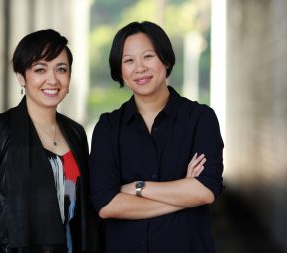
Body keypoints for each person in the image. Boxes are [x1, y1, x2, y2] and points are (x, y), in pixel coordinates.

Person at [0, 29, 101, 253]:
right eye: (40, 69)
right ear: (22, 77)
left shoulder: (75, 132)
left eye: (61, 69)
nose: (52, 79)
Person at [89, 21, 224, 253]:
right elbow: (106, 204)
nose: (139, 68)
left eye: (148, 56)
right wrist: (182, 195)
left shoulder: (200, 119)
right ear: (119, 70)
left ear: (166, 59)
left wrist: (136, 187)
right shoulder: (108, 128)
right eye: (129, 61)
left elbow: (205, 191)